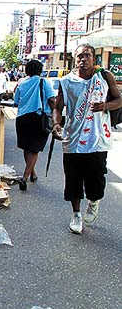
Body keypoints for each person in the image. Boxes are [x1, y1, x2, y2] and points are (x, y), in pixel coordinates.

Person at [52, 44, 122, 234]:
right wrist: (57, 124)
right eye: (80, 56)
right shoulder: (66, 82)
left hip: (98, 139)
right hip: (73, 139)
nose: (83, 59)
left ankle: (93, 201)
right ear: (75, 59)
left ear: (94, 58)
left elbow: (119, 100)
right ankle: (76, 214)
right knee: (73, 180)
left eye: (87, 55)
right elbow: (58, 107)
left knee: (96, 180)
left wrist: (105, 105)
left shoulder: (104, 77)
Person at [14, 60, 56, 191]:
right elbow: (51, 100)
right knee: (34, 149)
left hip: (22, 119)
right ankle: (25, 177)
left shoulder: (21, 83)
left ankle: (33, 173)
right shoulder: (44, 82)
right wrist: (56, 118)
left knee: (27, 147)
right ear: (40, 70)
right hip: (38, 118)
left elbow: (16, 102)